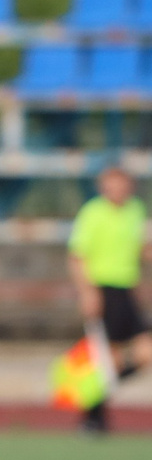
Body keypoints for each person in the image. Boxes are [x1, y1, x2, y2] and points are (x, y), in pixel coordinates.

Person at [69, 162, 151, 435]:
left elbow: (141, 250)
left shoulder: (136, 211)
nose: (117, 189)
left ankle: (90, 397)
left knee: (143, 352)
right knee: (106, 356)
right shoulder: (92, 213)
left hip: (127, 290)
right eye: (111, 184)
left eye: (122, 183)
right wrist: (87, 292)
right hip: (103, 290)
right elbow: (77, 256)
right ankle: (93, 418)